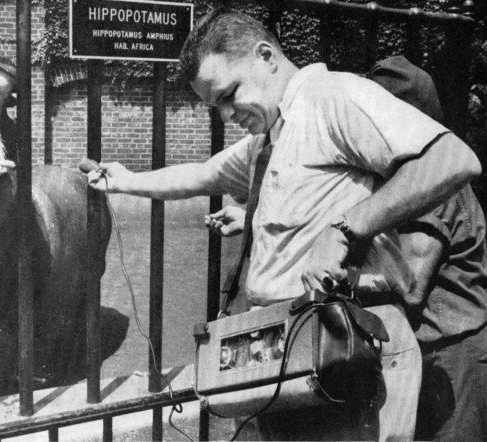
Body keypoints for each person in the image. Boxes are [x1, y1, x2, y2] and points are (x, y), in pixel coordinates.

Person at [80, 7, 481, 440]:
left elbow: (452, 159)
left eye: (229, 94)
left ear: (265, 56)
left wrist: (344, 230)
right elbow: (203, 174)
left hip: (333, 356)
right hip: (284, 359)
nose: (227, 116)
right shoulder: (272, 135)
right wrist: (126, 180)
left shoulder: (333, 97)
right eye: (216, 106)